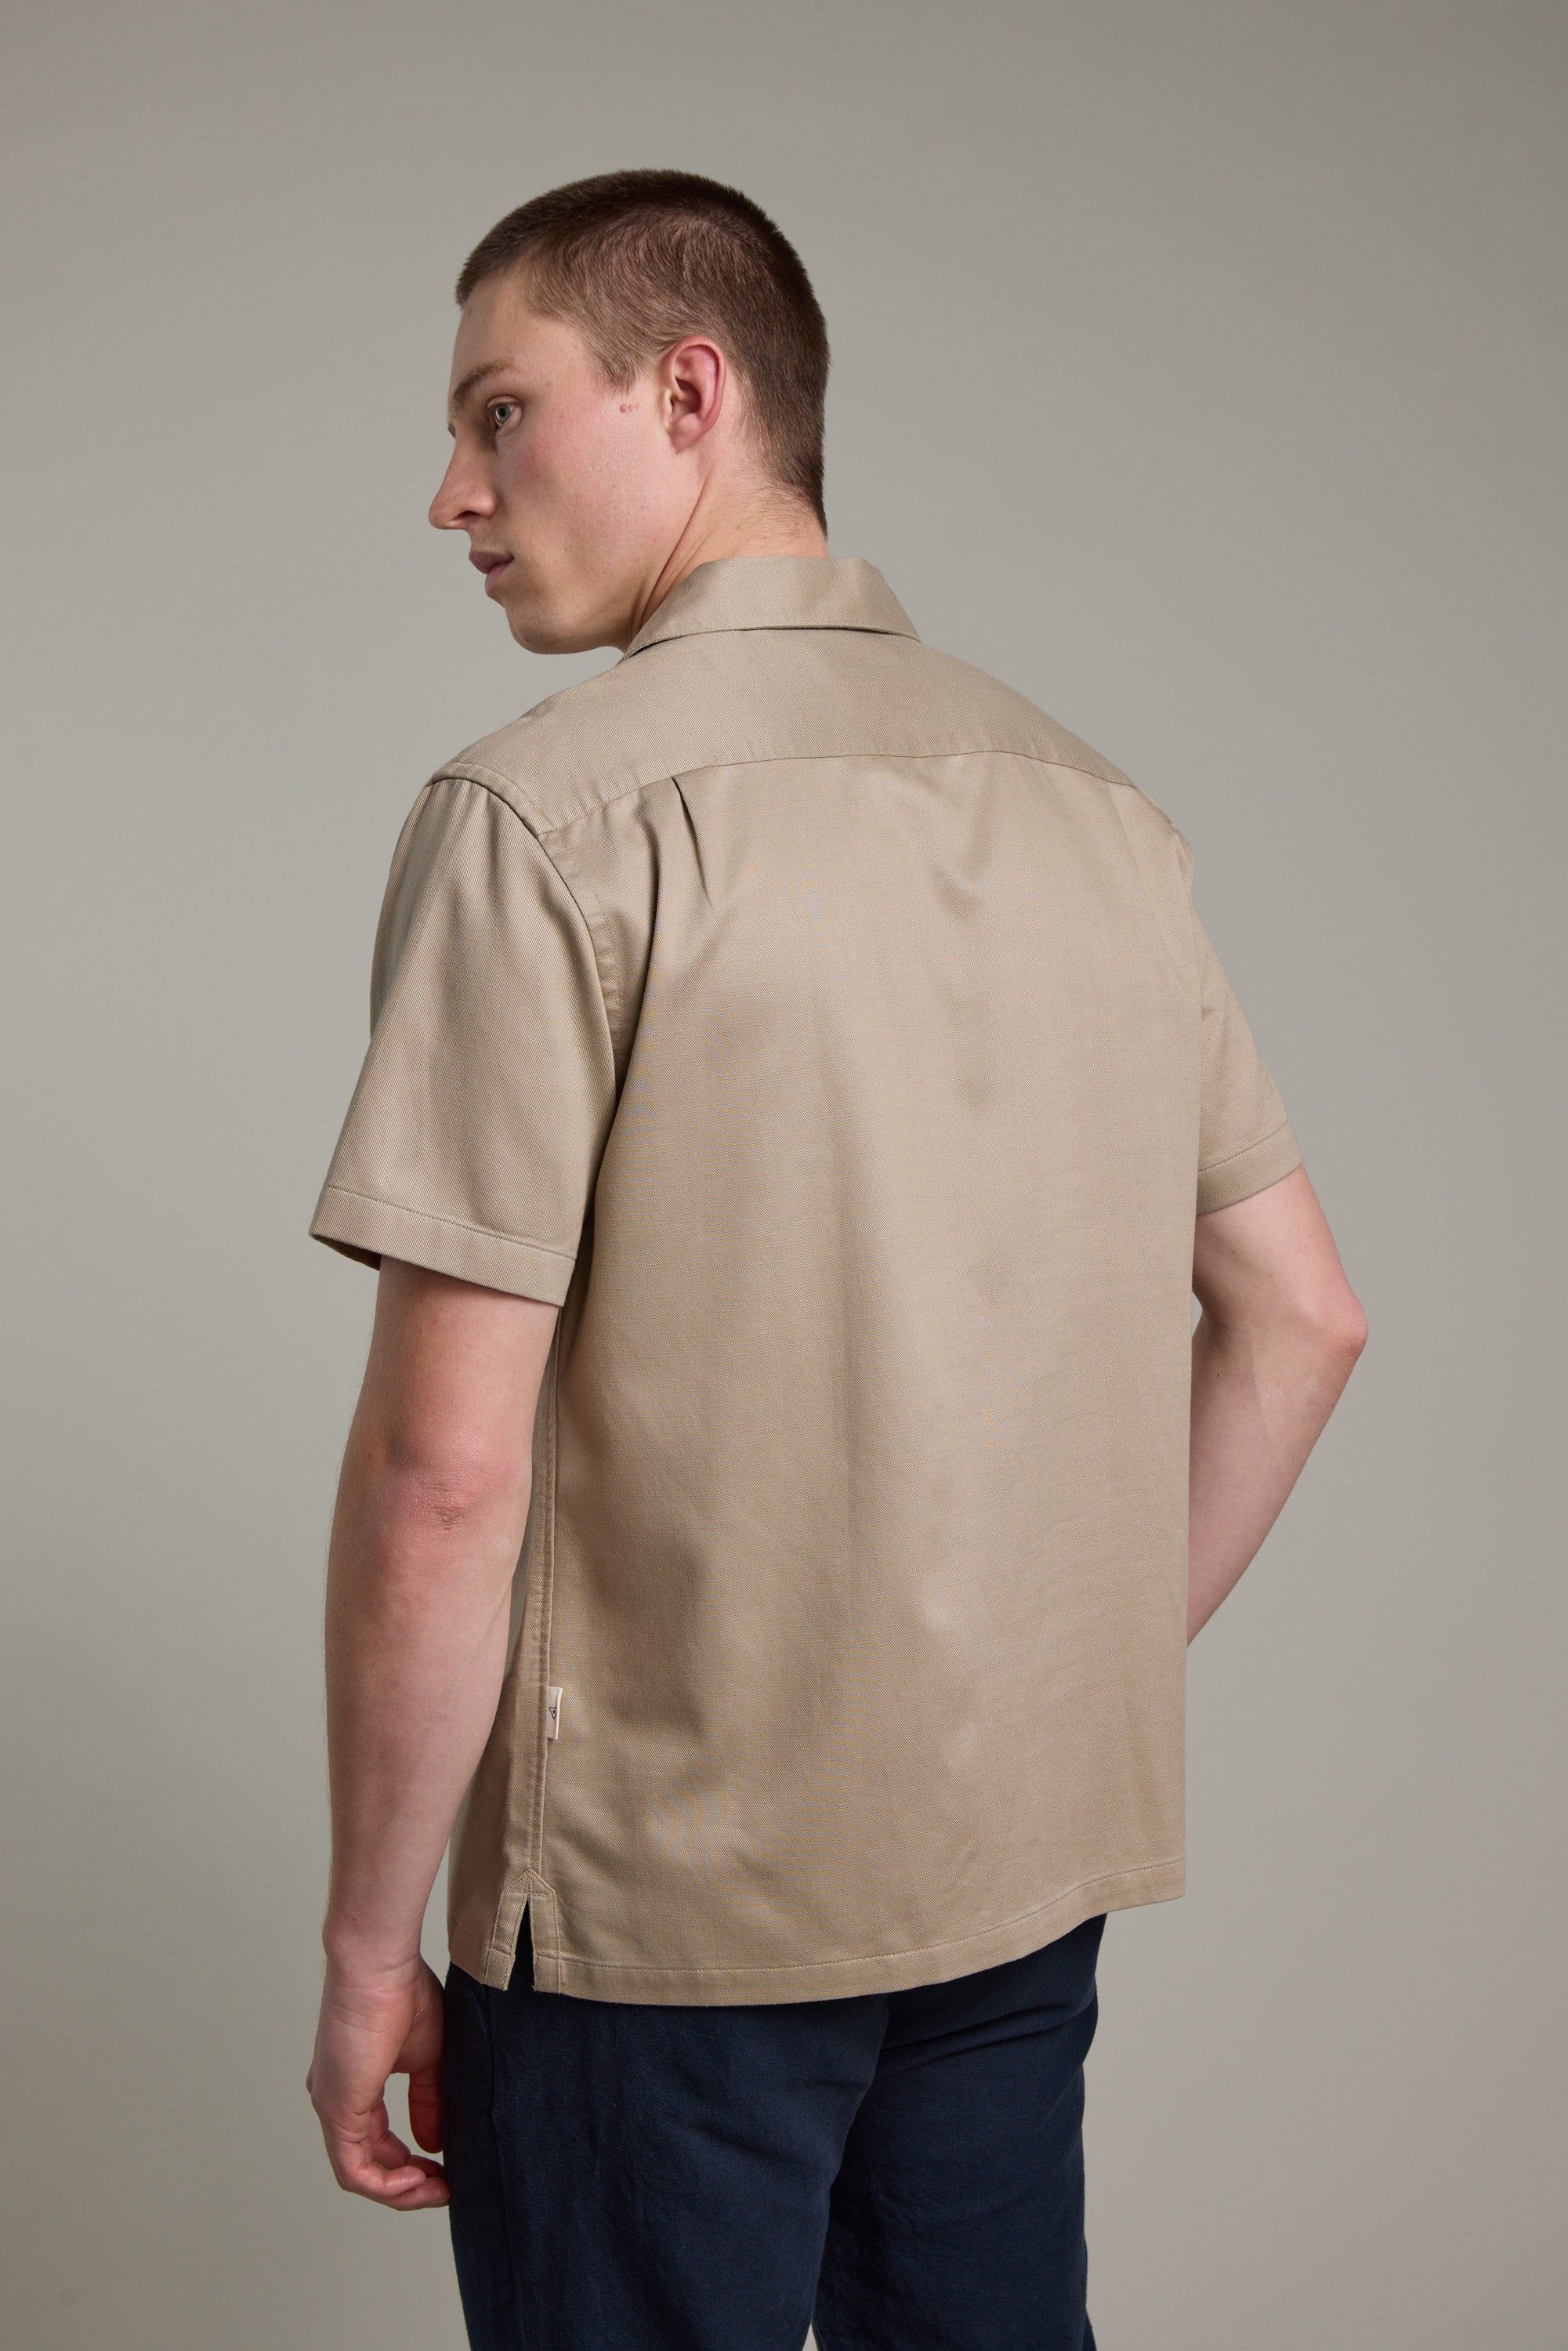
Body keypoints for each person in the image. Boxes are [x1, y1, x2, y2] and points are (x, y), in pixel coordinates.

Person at [304, 169, 1367, 2351]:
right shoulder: (1093, 808)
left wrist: (362, 1950)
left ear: (687, 392)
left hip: (650, 1934)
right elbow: (1297, 1318)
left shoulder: (545, 818)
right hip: (1007, 1895)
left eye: (498, 415)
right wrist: (1038, 1704)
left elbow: (445, 1474)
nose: (453, 492)